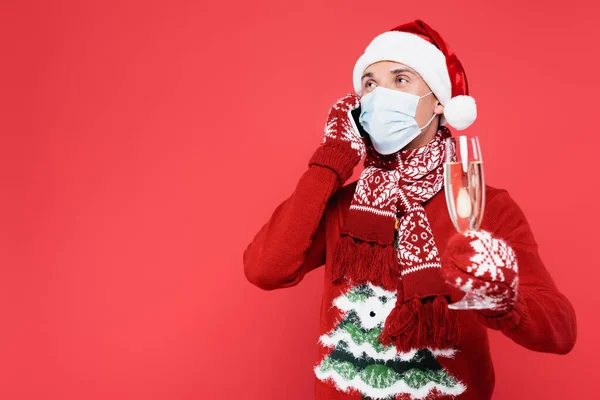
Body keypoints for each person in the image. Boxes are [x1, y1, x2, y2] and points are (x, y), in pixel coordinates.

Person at [243, 19, 576, 400]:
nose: (380, 94)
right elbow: (265, 269)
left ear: (439, 101)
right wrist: (331, 161)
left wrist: (503, 297)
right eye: (369, 84)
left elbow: (561, 332)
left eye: (401, 80)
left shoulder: (484, 204)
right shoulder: (345, 204)